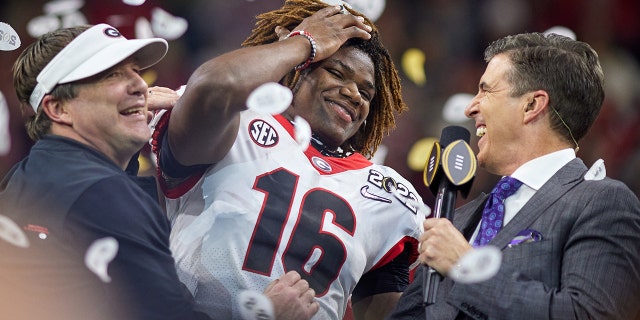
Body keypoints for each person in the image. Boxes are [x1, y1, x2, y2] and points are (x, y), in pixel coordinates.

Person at [0, 23, 317, 320]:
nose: (141, 85)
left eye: (135, 72)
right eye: (112, 76)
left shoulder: (27, 174)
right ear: (58, 109)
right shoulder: (104, 195)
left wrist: (120, 120)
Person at [149, 0, 426, 319]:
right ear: (297, 66)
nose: (353, 94)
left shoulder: (388, 196)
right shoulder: (234, 123)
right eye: (336, 72)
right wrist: (304, 42)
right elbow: (215, 85)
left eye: (366, 93)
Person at [387, 32, 640, 319]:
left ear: (532, 105)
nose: (470, 108)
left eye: (486, 90)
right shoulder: (457, 221)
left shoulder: (602, 203)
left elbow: (590, 314)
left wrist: (466, 267)